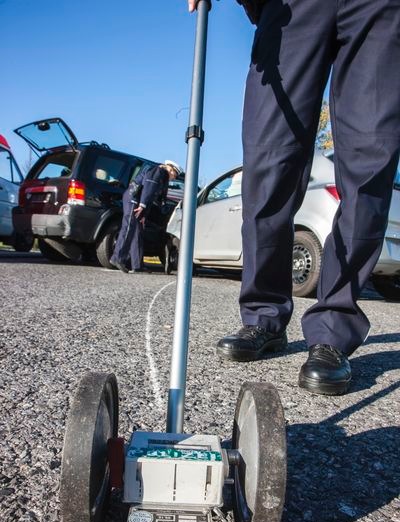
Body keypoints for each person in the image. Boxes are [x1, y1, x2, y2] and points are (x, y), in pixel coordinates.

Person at [188, 0, 400, 395]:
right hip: (290, 7)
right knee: (269, 160)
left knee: (370, 161)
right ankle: (263, 315)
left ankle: (333, 329)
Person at [110, 160, 183, 273]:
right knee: (128, 227)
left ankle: (137, 265)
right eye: (175, 174)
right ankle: (117, 258)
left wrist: (144, 214)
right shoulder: (159, 171)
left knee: (137, 232)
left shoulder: (162, 177)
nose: (174, 177)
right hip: (134, 200)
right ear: (170, 168)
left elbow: (153, 197)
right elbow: (149, 187)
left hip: (139, 202)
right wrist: (142, 205)